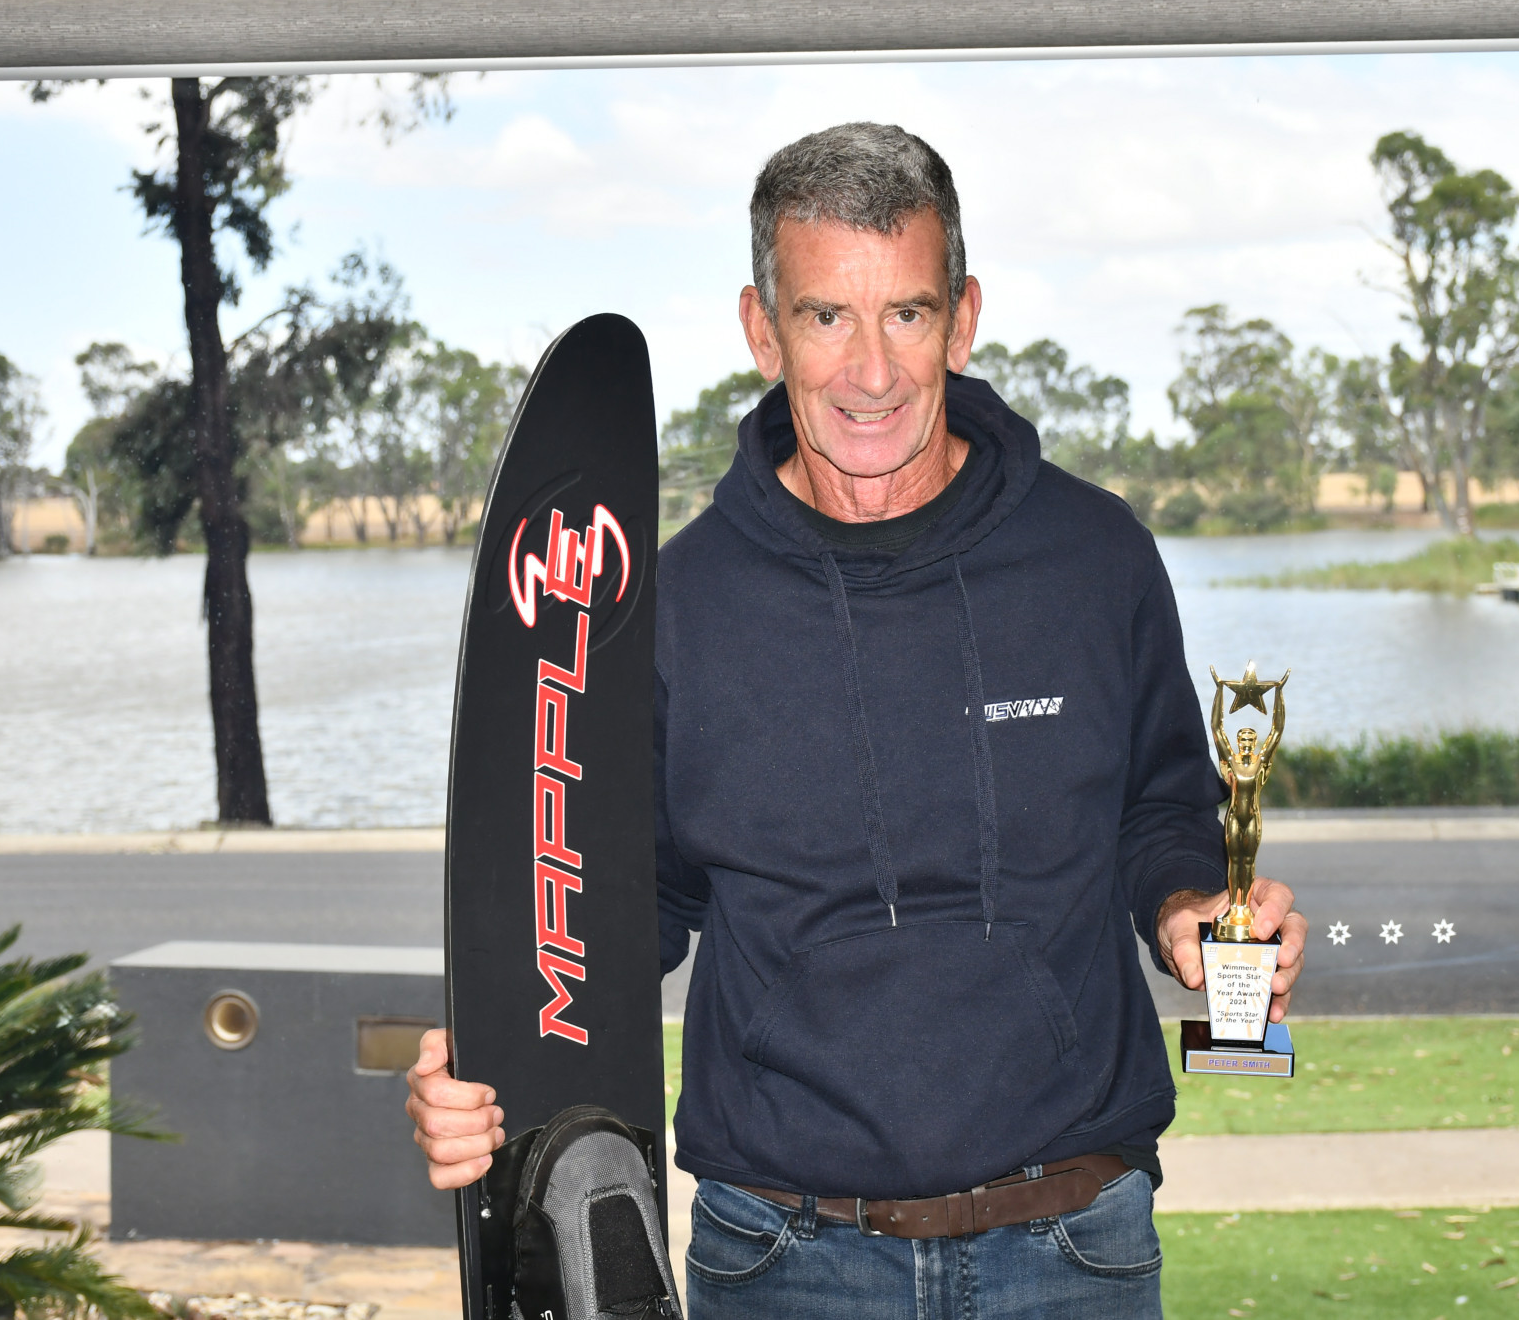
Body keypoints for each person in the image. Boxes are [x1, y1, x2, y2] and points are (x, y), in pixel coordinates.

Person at [407, 121, 1307, 1318]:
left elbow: (1158, 809)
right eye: (827, 316)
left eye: (908, 315)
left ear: (964, 316)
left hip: (1071, 1250)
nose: (870, 372)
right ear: (760, 327)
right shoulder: (676, 608)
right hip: (783, 1257)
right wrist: (492, 1061)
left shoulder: (1094, 556)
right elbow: (624, 911)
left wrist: (1194, 905)